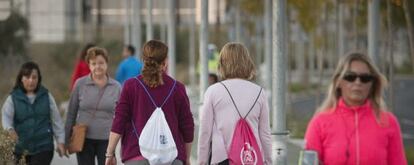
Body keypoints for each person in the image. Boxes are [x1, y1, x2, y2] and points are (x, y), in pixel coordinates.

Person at [304, 52, 407, 164]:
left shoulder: (388, 122)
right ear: (338, 81)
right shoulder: (319, 122)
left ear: (372, 83)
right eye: (350, 77)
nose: (358, 82)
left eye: (365, 78)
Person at [105, 40, 194, 165]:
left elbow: (119, 120)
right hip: (172, 157)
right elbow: (188, 127)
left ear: (143, 60)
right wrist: (187, 157)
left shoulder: (131, 86)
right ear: (165, 61)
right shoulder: (177, 88)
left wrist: (110, 153)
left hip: (136, 155)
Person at [197, 42, 272, 165]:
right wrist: (268, 161)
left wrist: (202, 162)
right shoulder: (260, 93)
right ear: (247, 62)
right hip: (252, 158)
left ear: (222, 63)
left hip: (222, 159)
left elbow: (205, 133)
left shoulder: (213, 92)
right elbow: (265, 134)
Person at [1, 61, 67, 165]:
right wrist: (9, 129)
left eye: (34, 77)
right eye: (27, 77)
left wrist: (61, 141)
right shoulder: (13, 98)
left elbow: (56, 120)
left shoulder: (46, 95)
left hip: (43, 147)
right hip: (20, 149)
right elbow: (6, 117)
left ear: (38, 79)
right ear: (21, 78)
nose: (31, 80)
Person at [65, 47, 121, 165]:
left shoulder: (116, 87)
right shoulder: (80, 84)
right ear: (89, 65)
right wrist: (65, 139)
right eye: (93, 63)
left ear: (106, 64)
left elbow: (122, 116)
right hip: (83, 139)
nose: (97, 67)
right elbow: (71, 113)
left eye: (101, 63)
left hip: (107, 140)